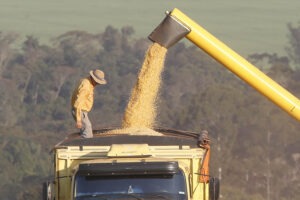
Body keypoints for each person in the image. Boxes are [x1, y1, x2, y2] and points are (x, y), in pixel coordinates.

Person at [71, 69, 107, 138]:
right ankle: (84, 147)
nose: (98, 84)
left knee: (87, 129)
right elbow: (79, 102)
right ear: (93, 79)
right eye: (97, 82)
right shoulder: (86, 86)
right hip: (80, 110)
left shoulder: (85, 80)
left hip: (81, 111)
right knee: (87, 131)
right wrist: (78, 119)